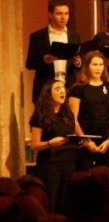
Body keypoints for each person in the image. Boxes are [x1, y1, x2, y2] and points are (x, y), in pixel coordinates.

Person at [29, 80, 78, 212]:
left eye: (63, 89)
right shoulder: (40, 115)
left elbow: (70, 137)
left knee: (66, 203)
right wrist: (50, 143)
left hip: (69, 162)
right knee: (50, 202)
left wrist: (78, 142)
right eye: (57, 89)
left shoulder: (68, 115)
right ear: (48, 94)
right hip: (49, 165)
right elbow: (34, 145)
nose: (62, 91)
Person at [68, 51, 109, 171]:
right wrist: (86, 141)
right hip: (85, 141)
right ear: (87, 66)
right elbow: (72, 118)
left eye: (101, 65)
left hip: (107, 141)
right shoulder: (78, 88)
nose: (98, 68)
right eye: (95, 64)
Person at [25, 0, 81, 102]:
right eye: (59, 14)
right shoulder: (38, 36)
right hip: (45, 89)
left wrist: (77, 63)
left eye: (66, 14)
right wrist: (44, 60)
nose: (63, 17)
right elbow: (29, 63)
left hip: (68, 88)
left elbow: (77, 63)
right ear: (50, 15)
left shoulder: (74, 36)